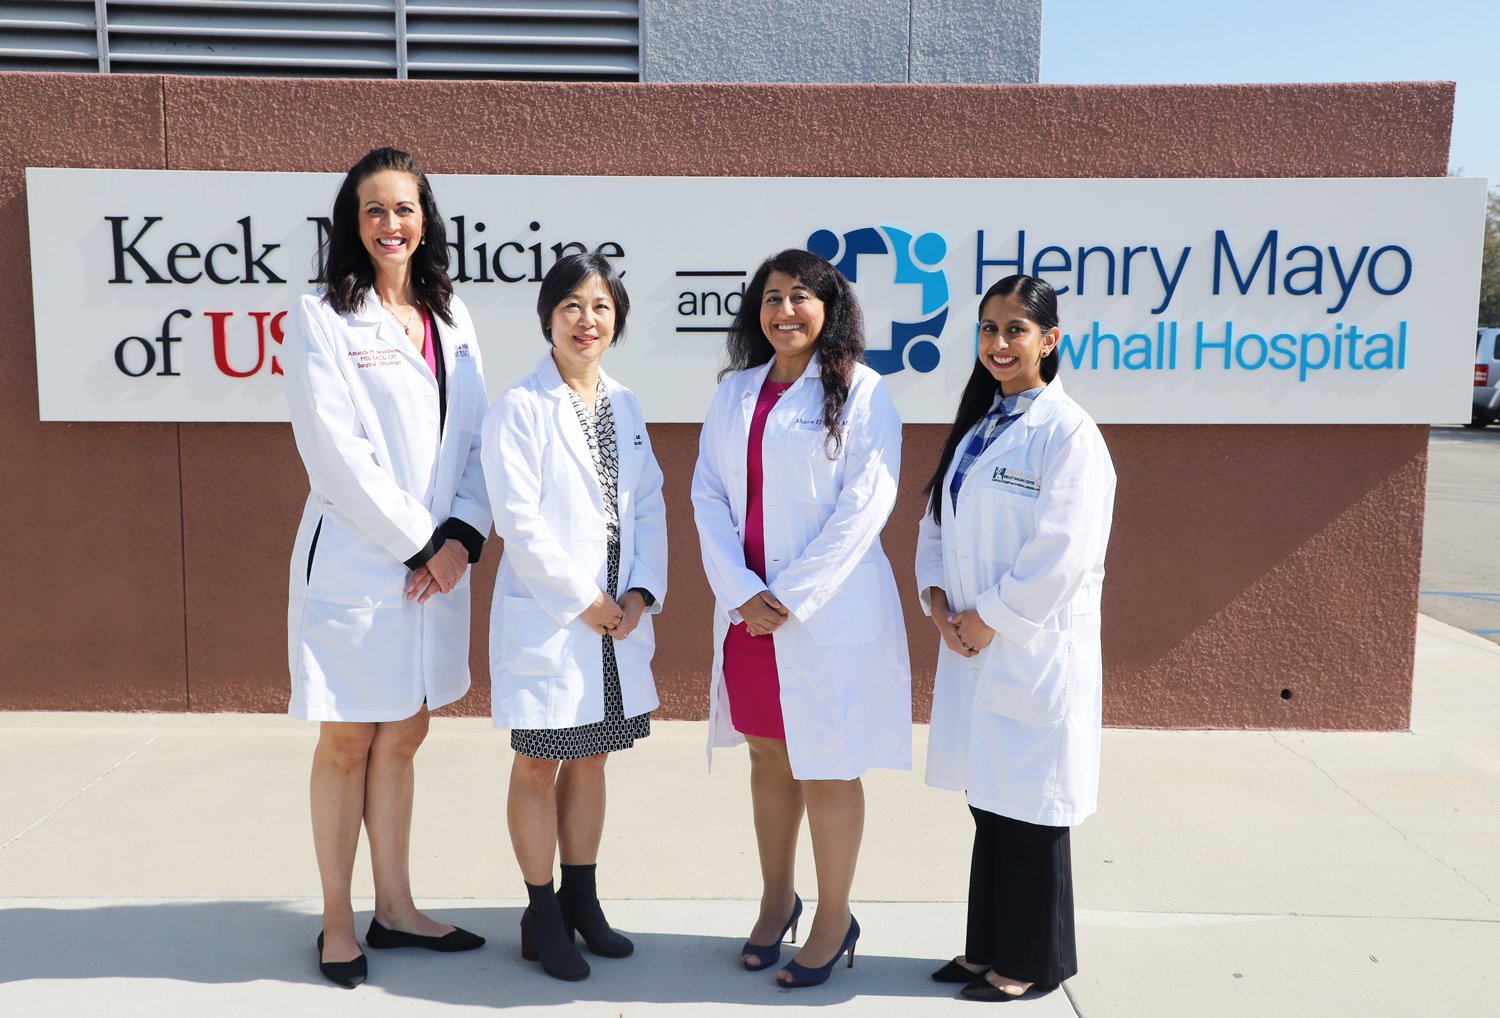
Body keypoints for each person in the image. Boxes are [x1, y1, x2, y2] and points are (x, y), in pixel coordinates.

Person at [284, 147, 491, 989]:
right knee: (347, 740)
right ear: (351, 223)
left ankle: (397, 909)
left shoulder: (454, 316)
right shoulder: (322, 317)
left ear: (426, 218)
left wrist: (463, 540)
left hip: (436, 564)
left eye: (404, 209)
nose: (391, 225)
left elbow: (476, 442)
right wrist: (424, 545)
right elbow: (335, 455)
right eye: (373, 210)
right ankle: (339, 920)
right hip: (363, 566)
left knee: (405, 732)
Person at [691, 248, 912, 989]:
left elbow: (865, 507)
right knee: (767, 754)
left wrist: (787, 598)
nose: (785, 310)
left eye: (801, 297)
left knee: (827, 762)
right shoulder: (734, 394)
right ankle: (776, 898)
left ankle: (832, 915)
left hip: (821, 615)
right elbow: (709, 499)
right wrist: (741, 591)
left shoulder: (864, 393)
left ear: (831, 307)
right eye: (771, 298)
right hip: (749, 615)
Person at [915, 274, 1116, 1002]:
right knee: (992, 804)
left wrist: (986, 616)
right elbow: (936, 522)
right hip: (973, 644)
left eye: (1015, 331)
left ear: (1050, 340)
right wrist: (938, 600)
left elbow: (1063, 551)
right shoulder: (980, 425)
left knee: (1034, 812)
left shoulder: (1069, 435)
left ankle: (1032, 961)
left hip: (1026, 649)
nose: (999, 344)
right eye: (989, 329)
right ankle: (986, 948)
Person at [482, 251, 668, 983]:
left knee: (591, 759)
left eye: (600, 308)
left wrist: (639, 592)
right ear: (548, 319)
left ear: (615, 319)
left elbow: (647, 505)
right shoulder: (519, 407)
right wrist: (583, 599)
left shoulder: (624, 404)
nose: (586, 322)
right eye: (571, 308)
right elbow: (518, 522)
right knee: (538, 763)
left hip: (616, 622)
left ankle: (582, 902)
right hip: (559, 619)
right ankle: (540, 913)